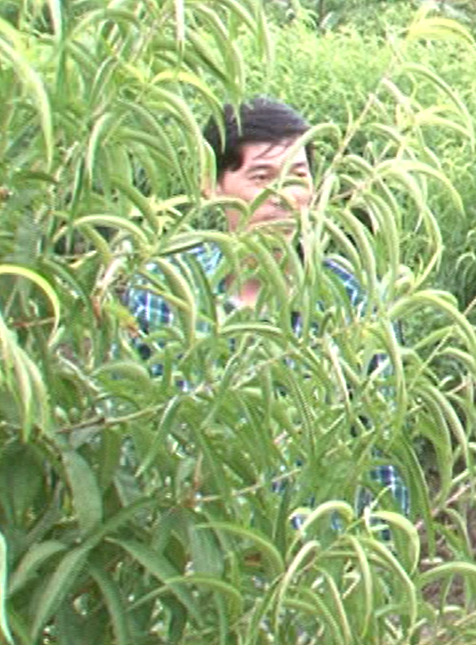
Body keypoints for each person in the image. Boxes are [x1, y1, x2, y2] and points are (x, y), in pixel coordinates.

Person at [123, 96, 409, 517]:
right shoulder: (165, 291)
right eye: (261, 176)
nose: (281, 196)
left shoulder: (352, 298)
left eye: (297, 176)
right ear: (211, 183)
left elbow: (377, 453)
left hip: (315, 560)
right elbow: (131, 438)